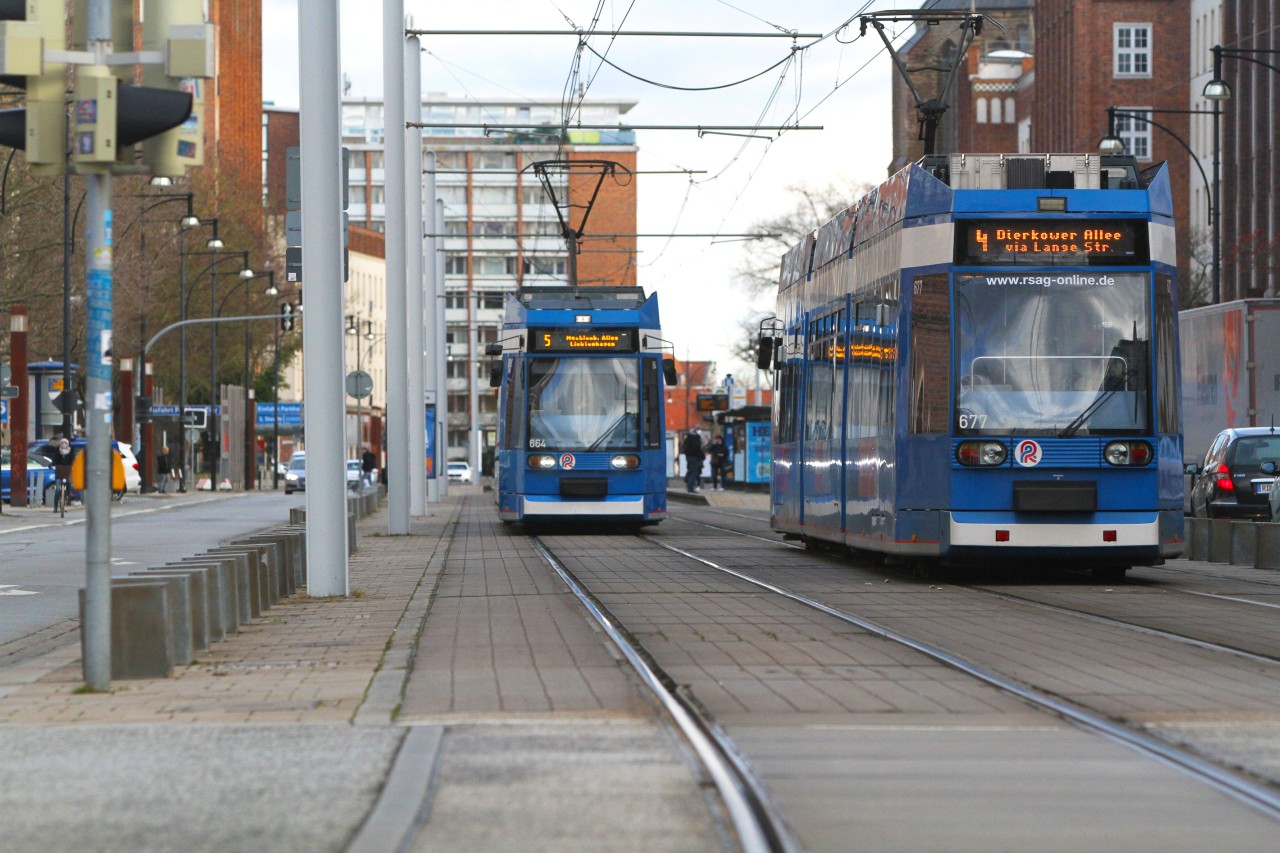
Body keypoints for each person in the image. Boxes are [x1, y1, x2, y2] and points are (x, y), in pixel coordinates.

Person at [681, 428, 704, 493]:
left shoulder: (688, 439)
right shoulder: (694, 439)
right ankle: (690, 488)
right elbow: (697, 449)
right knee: (694, 473)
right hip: (694, 458)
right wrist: (701, 456)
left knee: (691, 471)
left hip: (689, 457)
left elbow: (685, 449)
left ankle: (689, 485)